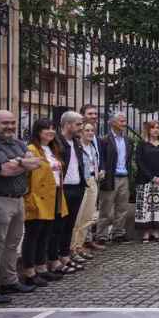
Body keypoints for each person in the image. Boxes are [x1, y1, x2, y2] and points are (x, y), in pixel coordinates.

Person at [0, 110, 41, 298]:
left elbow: (37, 163)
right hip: (0, 199)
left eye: (12, 122)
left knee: (13, 244)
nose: (9, 126)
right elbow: (5, 170)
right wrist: (23, 162)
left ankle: (10, 281)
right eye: (4, 123)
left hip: (18, 199)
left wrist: (18, 162)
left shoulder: (18, 142)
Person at [20, 118, 68, 288]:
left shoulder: (52, 149)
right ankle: (29, 272)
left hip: (53, 195)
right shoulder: (32, 149)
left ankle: (42, 267)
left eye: (52, 128)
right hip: (37, 197)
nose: (50, 131)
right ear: (37, 131)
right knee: (33, 234)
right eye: (46, 129)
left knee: (46, 233)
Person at [55, 111, 86, 274]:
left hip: (77, 186)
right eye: (78, 124)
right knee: (59, 225)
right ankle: (55, 257)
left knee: (70, 224)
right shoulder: (57, 142)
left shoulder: (76, 142)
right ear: (68, 124)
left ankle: (65, 255)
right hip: (63, 188)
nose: (81, 127)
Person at [96, 111, 133, 244]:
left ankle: (118, 233)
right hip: (110, 177)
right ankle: (101, 235)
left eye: (124, 121)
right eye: (121, 121)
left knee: (122, 207)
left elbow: (128, 159)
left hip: (124, 177)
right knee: (106, 207)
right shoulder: (105, 140)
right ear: (112, 123)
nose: (124, 123)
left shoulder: (128, 140)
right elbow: (102, 160)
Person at [70, 122, 103, 259]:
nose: (90, 133)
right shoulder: (77, 147)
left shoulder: (93, 146)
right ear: (81, 132)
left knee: (88, 216)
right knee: (78, 216)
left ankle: (79, 245)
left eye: (92, 130)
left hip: (93, 181)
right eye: (87, 130)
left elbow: (95, 162)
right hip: (82, 182)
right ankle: (72, 247)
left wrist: (99, 172)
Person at [134, 121, 159, 243]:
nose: (156, 130)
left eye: (158, 128)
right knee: (145, 207)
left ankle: (156, 231)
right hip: (145, 181)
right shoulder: (142, 144)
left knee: (158, 206)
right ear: (148, 130)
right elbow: (139, 162)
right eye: (153, 128)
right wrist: (151, 177)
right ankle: (146, 232)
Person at [79, 104, 105, 251]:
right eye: (90, 113)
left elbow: (99, 155)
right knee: (81, 214)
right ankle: (78, 244)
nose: (94, 116)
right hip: (83, 179)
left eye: (95, 113)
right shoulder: (80, 136)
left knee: (90, 213)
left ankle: (87, 240)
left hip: (95, 178)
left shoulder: (96, 136)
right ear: (83, 114)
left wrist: (102, 168)